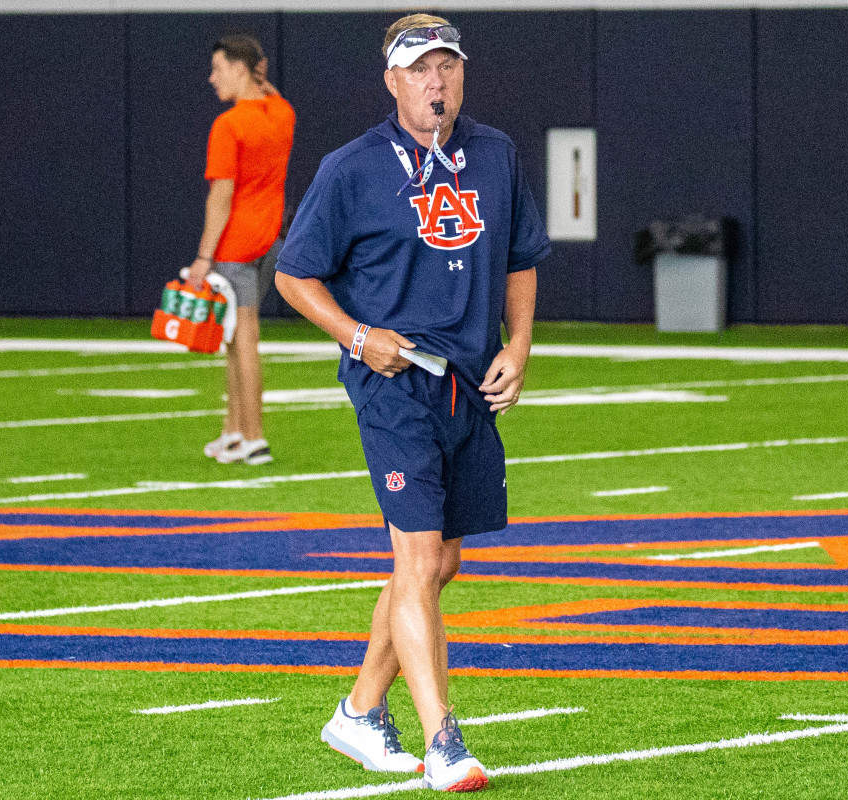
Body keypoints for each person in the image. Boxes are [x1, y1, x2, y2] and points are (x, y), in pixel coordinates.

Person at [274, 13, 549, 793]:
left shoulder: (494, 154)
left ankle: (360, 711)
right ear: (391, 80)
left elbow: (522, 258)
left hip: (469, 383)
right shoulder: (352, 167)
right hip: (392, 385)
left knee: (441, 561)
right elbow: (295, 275)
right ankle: (444, 740)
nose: (437, 82)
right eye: (420, 69)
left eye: (447, 67)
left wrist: (518, 347)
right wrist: (360, 339)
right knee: (420, 558)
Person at [189, 33, 295, 466]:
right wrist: (258, 75)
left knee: (244, 339)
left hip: (236, 245)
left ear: (238, 68)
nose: (212, 78)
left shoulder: (228, 125)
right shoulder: (284, 114)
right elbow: (271, 95)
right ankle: (233, 431)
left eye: (218, 68)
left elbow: (221, 196)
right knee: (236, 338)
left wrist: (202, 257)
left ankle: (254, 436)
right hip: (273, 239)